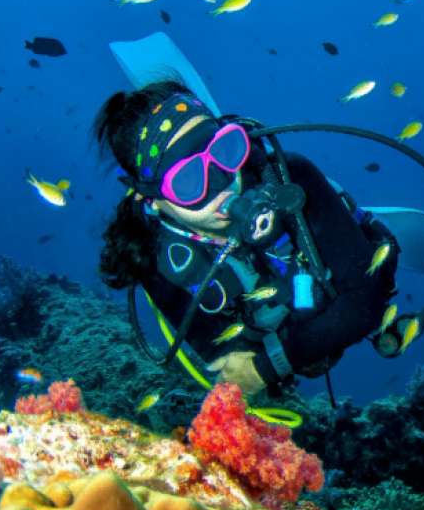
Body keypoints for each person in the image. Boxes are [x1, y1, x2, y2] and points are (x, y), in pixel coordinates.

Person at [93, 79, 398, 395]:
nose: (222, 185)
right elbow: (229, 361)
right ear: (152, 198)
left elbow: (369, 298)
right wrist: (274, 356)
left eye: (224, 152)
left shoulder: (288, 179)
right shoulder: (152, 259)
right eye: (188, 180)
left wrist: (266, 367)